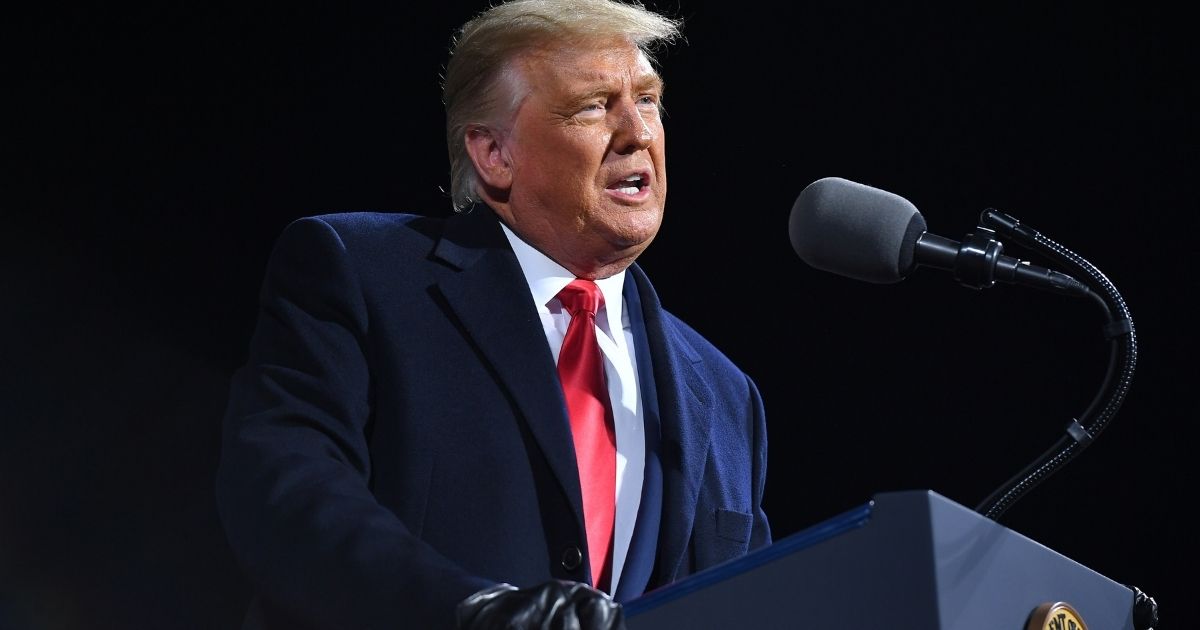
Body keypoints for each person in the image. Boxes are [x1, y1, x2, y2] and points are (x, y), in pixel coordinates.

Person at [215, 0, 771, 628]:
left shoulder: (726, 396)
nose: (637, 132)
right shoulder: (361, 277)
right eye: (593, 105)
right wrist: (469, 611)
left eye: (647, 100)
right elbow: (287, 497)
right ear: (494, 155)